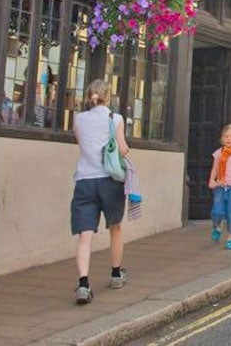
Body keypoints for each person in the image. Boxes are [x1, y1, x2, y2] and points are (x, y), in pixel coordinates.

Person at [70, 78, 129, 305]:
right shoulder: (115, 119)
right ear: (108, 95)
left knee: (85, 236)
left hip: (85, 180)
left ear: (89, 96)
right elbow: (122, 149)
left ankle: (84, 283)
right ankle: (116, 274)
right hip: (109, 181)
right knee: (115, 228)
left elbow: (83, 146)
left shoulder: (78, 119)